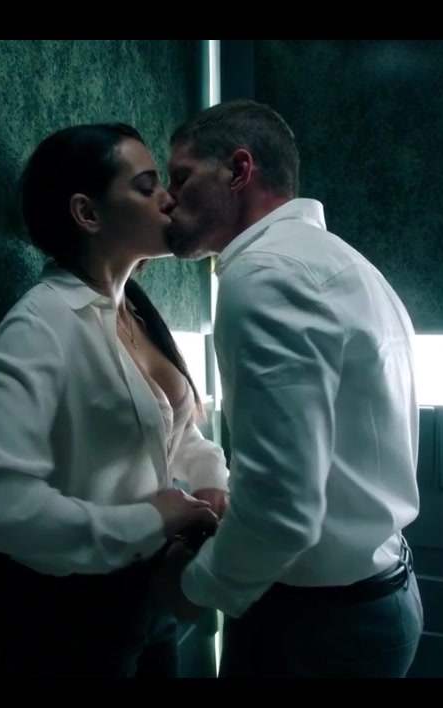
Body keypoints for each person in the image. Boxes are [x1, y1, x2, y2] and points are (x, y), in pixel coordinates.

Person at [152, 99, 424, 678]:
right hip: (374, 598)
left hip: (319, 630)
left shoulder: (265, 275)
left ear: (239, 170)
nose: (167, 199)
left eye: (181, 177)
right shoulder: (344, 265)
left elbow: (283, 510)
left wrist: (196, 587)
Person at [0, 122, 229, 678]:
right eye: (147, 186)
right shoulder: (39, 325)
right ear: (87, 213)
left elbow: (178, 432)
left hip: (151, 593)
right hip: (71, 619)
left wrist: (211, 483)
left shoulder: (137, 310)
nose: (168, 198)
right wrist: (149, 520)